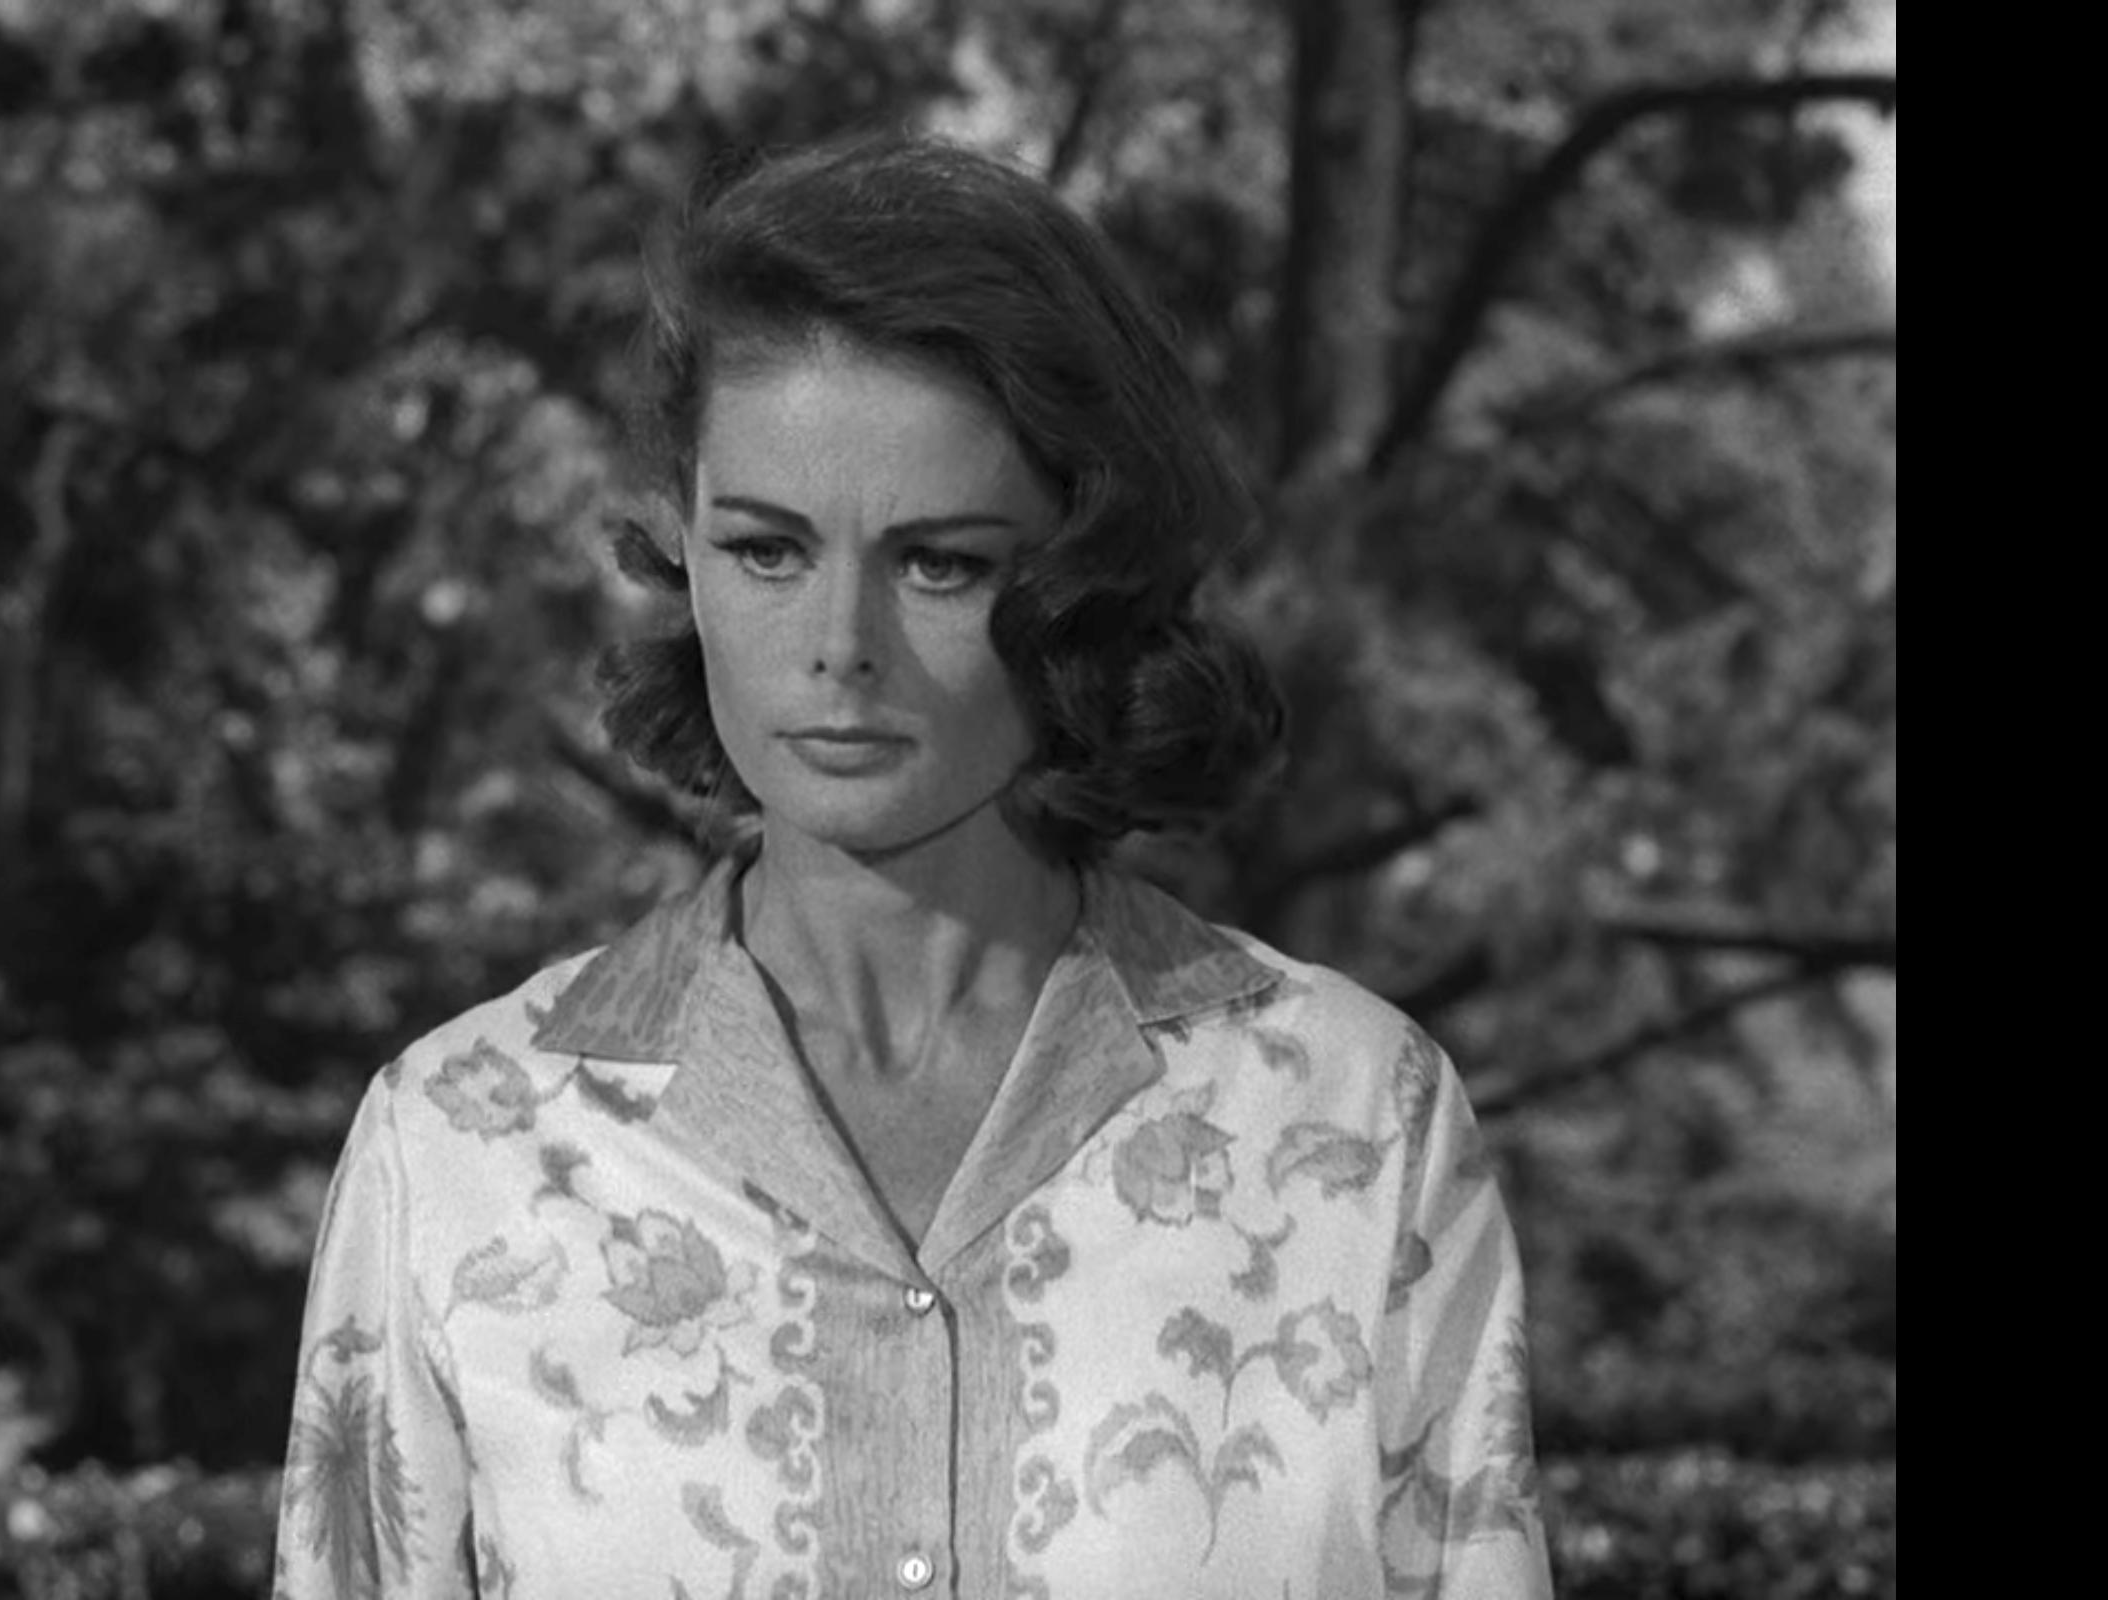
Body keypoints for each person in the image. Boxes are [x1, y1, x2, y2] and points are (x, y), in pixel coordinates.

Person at [274, 132, 1551, 1599]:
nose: (841, 646)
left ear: (1080, 578)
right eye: (766, 550)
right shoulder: (457, 1149)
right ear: (684, 553)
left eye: (939, 562)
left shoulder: (1353, 1122)